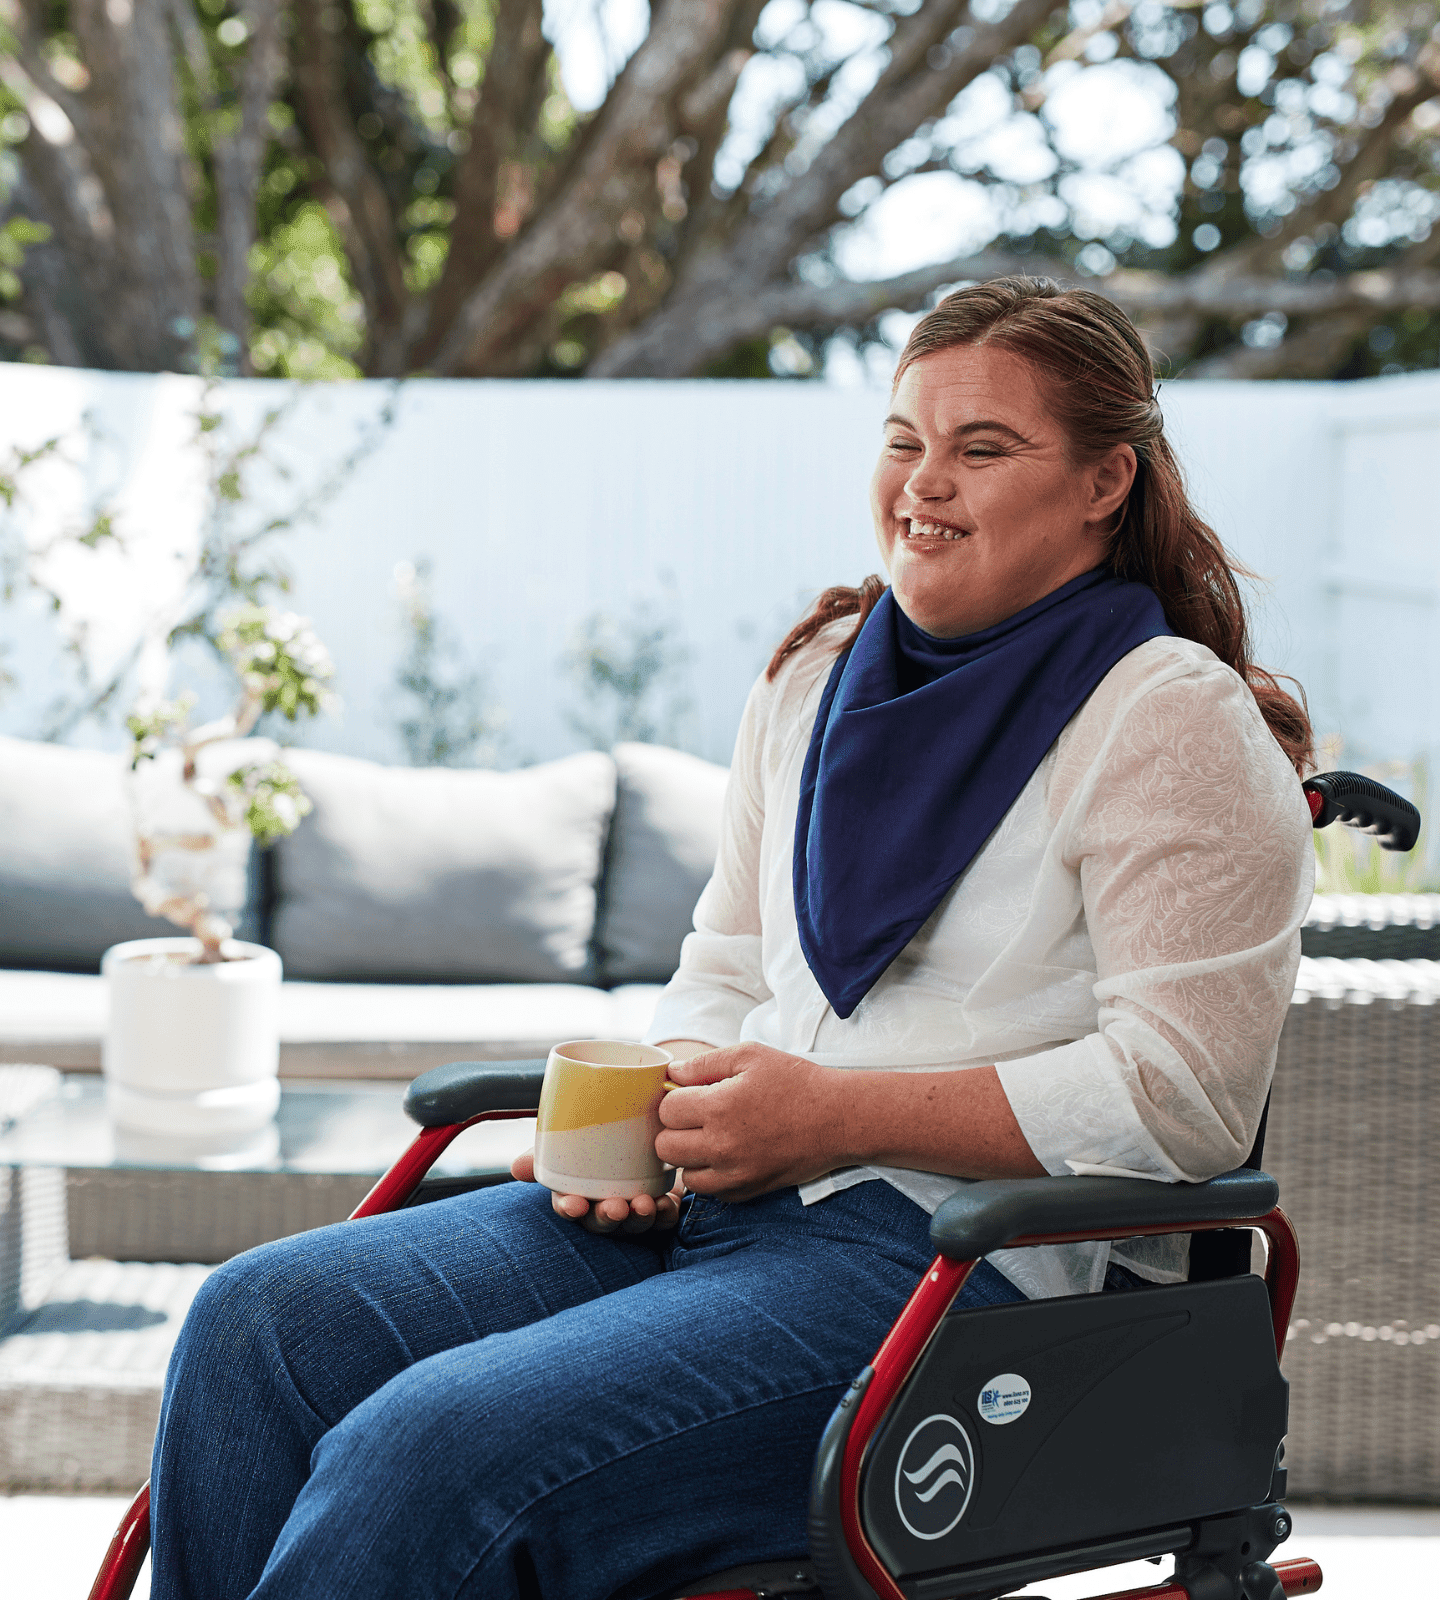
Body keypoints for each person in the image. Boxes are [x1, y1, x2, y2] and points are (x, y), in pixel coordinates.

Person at [148, 278, 1315, 1600]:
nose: (923, 483)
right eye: (903, 440)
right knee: (255, 1327)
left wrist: (833, 1117)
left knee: (431, 1451)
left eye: (983, 449)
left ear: (1106, 481)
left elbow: (1185, 1105)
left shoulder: (1168, 717)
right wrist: (651, 1121)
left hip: (973, 1269)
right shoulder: (818, 674)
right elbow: (727, 965)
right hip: (732, 1202)